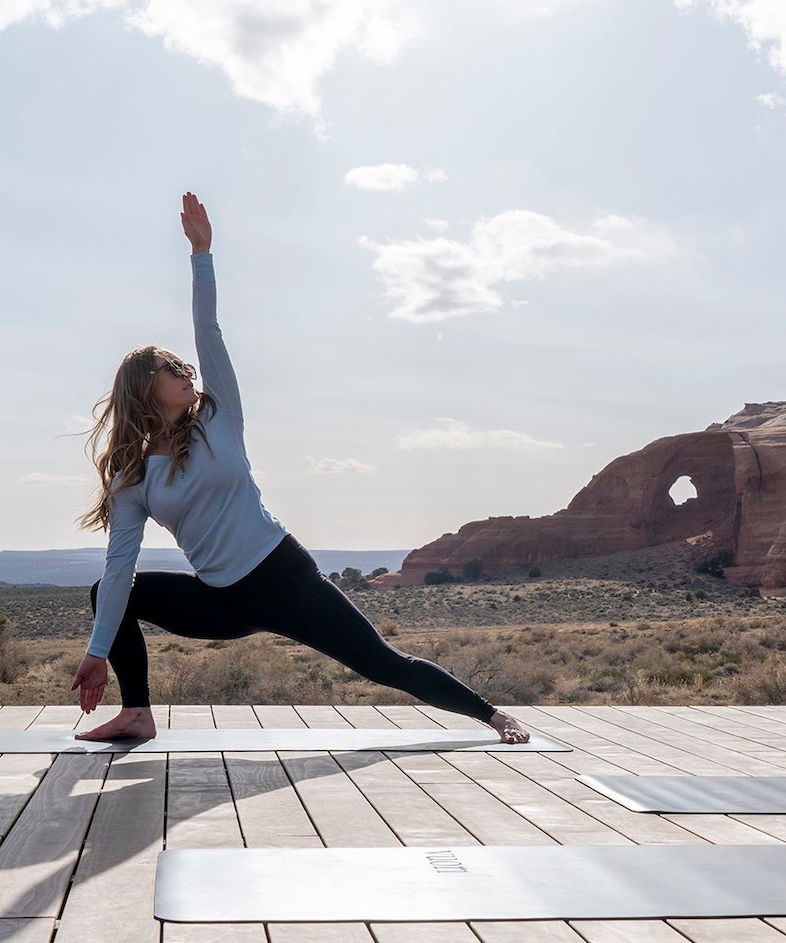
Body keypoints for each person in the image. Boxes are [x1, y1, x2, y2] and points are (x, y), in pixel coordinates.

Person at [69, 192, 531, 745]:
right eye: (172, 368)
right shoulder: (133, 477)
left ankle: (492, 716)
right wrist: (97, 653)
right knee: (108, 590)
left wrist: (202, 255)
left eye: (182, 363)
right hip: (221, 601)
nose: (186, 369)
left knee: (383, 664)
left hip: (284, 577)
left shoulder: (218, 418)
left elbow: (209, 332)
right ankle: (137, 713)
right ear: (147, 388)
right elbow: (122, 568)